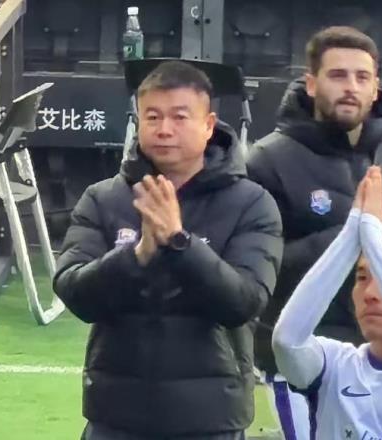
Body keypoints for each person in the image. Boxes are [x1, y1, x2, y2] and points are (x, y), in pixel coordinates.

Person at [53, 60, 283, 440]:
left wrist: (180, 244)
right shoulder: (103, 198)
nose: (164, 129)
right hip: (115, 415)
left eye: (179, 117)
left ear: (208, 125)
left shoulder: (252, 203)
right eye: (153, 117)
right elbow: (75, 293)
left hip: (210, 418)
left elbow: (244, 302)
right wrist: (137, 256)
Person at [246, 26, 382, 438]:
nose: (351, 87)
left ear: (375, 87)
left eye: (362, 77)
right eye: (337, 75)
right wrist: (350, 232)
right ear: (311, 84)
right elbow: (262, 266)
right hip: (312, 356)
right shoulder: (268, 159)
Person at [272, 165, 382, 439]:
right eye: (361, 277)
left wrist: (372, 235)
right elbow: (286, 341)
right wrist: (353, 230)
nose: (370, 293)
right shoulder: (334, 365)